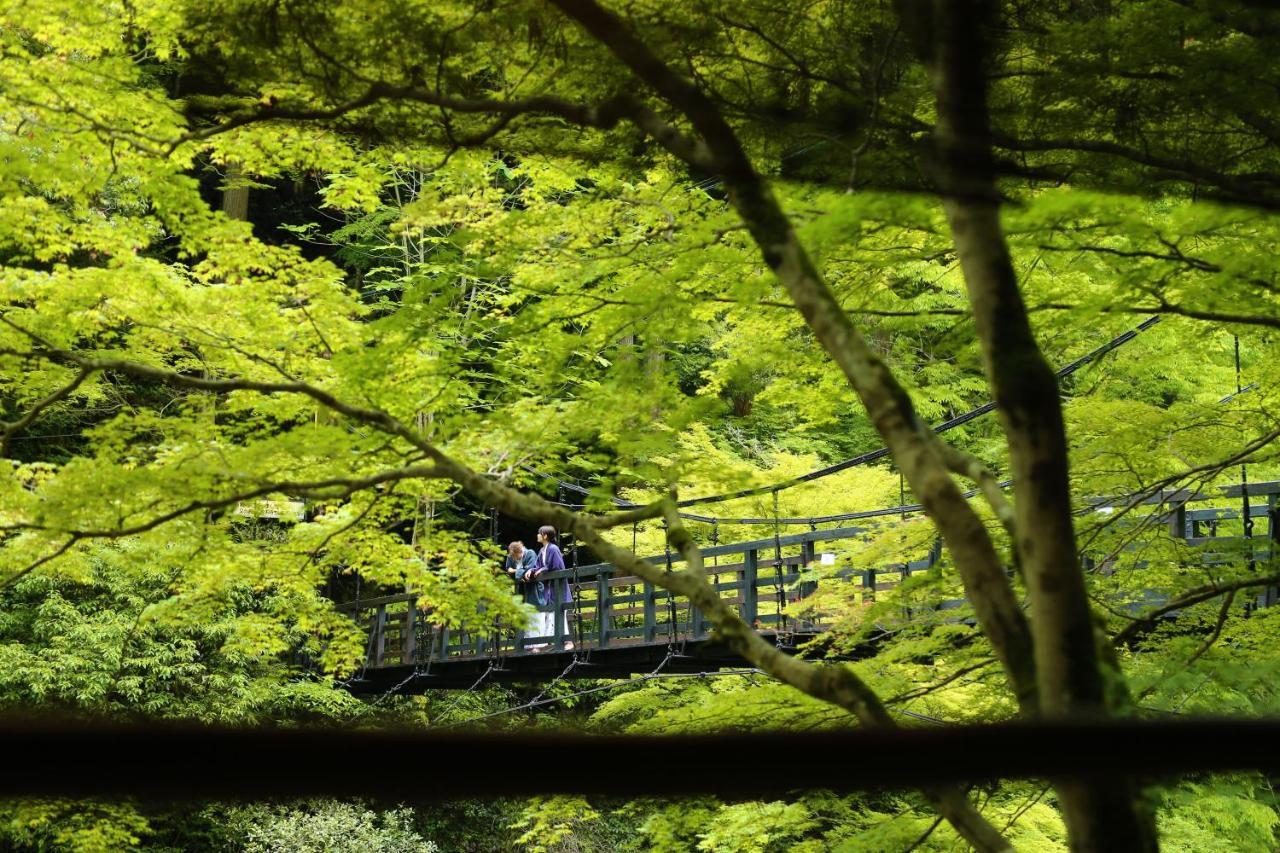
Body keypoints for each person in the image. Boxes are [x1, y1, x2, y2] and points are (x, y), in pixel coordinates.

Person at [530, 524, 573, 652]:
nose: (537, 535)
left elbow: (558, 567)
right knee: (549, 615)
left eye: (539, 533)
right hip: (549, 590)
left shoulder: (553, 549)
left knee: (558, 613)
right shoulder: (542, 551)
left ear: (545, 536)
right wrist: (530, 571)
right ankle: (548, 644)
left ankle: (568, 642)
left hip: (558, 589)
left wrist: (542, 569)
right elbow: (537, 566)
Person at [505, 541, 543, 651]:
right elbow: (508, 569)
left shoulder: (530, 553)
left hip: (532, 588)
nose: (514, 558)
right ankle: (525, 644)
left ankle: (536, 645)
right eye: (512, 556)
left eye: (515, 555)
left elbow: (530, 569)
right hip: (520, 590)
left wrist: (516, 571)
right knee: (521, 614)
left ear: (520, 551)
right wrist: (519, 571)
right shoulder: (510, 557)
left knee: (535, 613)